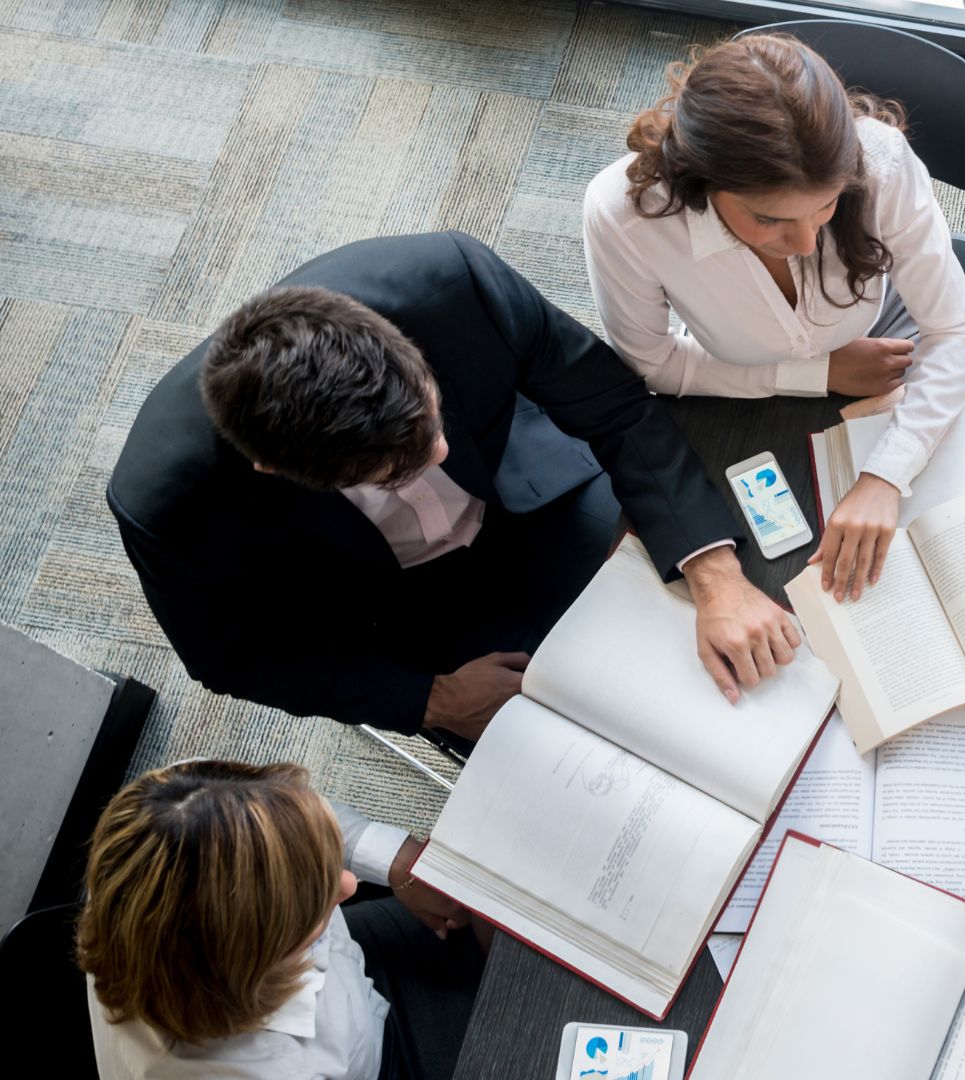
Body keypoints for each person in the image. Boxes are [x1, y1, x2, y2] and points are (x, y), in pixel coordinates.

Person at [108, 232, 799, 750]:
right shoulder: (167, 505)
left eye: (430, 415)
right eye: (399, 468)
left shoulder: (451, 283)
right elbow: (233, 658)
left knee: (760, 617)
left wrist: (713, 574)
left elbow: (612, 404)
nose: (437, 451)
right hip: (403, 615)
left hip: (531, 495)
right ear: (278, 471)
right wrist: (430, 701)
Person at [583, 34, 965, 603]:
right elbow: (652, 364)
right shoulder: (625, 215)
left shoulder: (881, 163)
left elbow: (955, 329)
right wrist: (816, 374)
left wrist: (886, 475)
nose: (803, 242)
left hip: (881, 336)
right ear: (704, 181)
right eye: (770, 219)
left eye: (826, 206)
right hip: (729, 387)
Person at [78, 759, 483, 1079]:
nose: (348, 885)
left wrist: (395, 861)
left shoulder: (185, 810)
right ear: (257, 964)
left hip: (357, 982)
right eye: (308, 911)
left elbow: (291, 813)